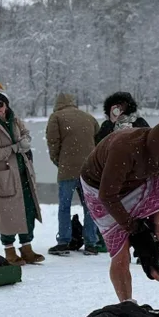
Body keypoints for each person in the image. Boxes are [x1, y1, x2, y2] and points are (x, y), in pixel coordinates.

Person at [79, 121, 159, 303]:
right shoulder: (124, 148)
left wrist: (149, 226)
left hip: (136, 184)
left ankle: (151, 246)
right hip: (100, 190)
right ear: (158, 148)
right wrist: (133, 227)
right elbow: (107, 195)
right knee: (120, 253)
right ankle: (126, 303)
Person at [0, 83, 44, 266]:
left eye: (0, 104)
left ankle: (27, 249)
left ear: (6, 104)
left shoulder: (15, 120)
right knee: (7, 215)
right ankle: (9, 251)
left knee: (28, 211)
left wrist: (26, 142)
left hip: (23, 175)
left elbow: (25, 134)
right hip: (4, 178)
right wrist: (16, 147)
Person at [45, 93, 103, 255]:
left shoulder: (56, 117)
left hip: (67, 170)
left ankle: (64, 241)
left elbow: (53, 143)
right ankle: (91, 243)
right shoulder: (88, 117)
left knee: (64, 207)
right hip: (89, 172)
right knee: (90, 207)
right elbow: (99, 141)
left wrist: (59, 162)